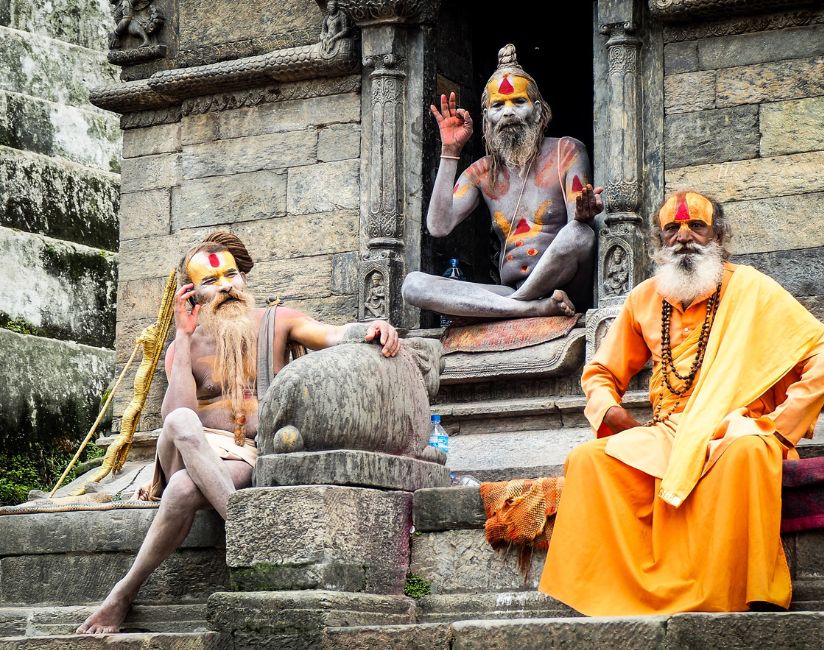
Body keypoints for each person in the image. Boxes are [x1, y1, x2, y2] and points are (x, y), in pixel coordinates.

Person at [539, 191, 824, 615]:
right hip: (670, 430)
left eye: (697, 227)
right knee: (589, 461)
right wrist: (609, 410)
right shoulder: (644, 299)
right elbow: (600, 373)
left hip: (733, 427)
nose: (684, 237)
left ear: (718, 235)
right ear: (657, 242)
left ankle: (732, 591)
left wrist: (779, 424)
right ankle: (620, 594)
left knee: (748, 453)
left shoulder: (751, 289)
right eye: (672, 229)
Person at [77, 231, 399, 634]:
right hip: (184, 442)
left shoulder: (276, 321)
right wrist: (182, 335)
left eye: (231, 275)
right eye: (212, 282)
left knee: (181, 490)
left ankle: (122, 594)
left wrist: (372, 328)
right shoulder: (185, 345)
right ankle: (252, 530)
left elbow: (332, 334)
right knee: (179, 421)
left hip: (242, 453)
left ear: (242, 276)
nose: (226, 286)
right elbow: (176, 414)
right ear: (193, 293)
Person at [402, 44, 603, 320]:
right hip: (506, 293)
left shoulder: (567, 151)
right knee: (412, 285)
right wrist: (449, 151)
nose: (508, 112)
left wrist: (583, 216)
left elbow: (577, 237)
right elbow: (438, 226)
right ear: (486, 118)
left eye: (518, 102)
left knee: (580, 234)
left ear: (538, 110)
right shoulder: (481, 172)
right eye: (498, 105)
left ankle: (507, 309)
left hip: (565, 287)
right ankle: (530, 308)